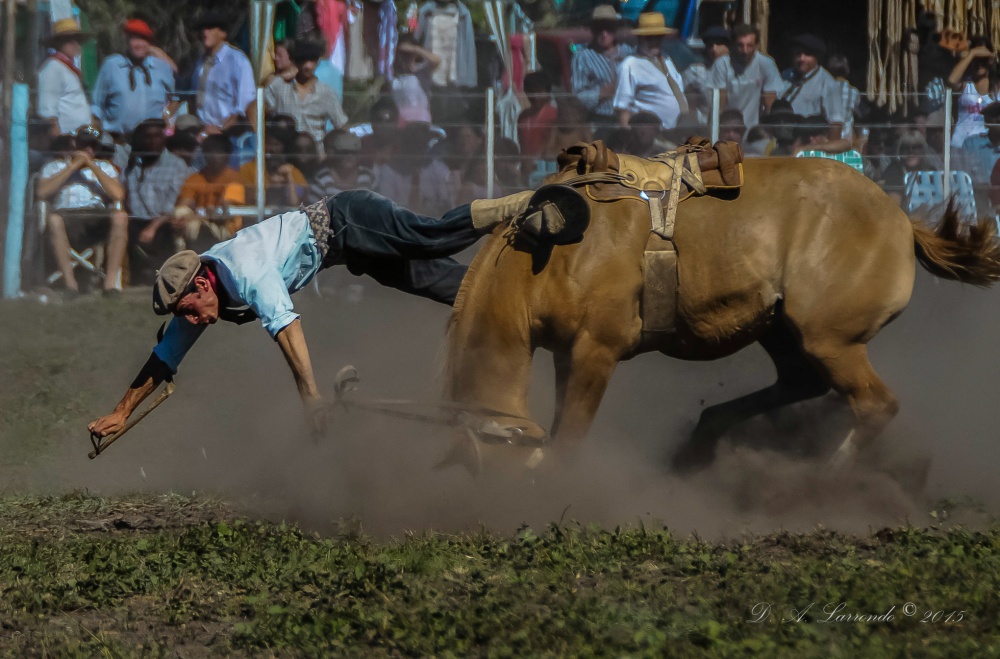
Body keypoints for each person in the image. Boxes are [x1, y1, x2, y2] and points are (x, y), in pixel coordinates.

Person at [86, 187, 579, 440]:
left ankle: (526, 204)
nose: (188, 321)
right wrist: (121, 412)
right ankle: (524, 304)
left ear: (198, 284)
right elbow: (163, 358)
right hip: (350, 250)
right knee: (451, 290)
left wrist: (312, 397)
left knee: (430, 236)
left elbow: (288, 326)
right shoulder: (200, 297)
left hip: (350, 219)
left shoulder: (244, 272)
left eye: (186, 309)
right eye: (182, 315)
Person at [36, 126, 127, 297]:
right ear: (75, 143)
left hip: (95, 215)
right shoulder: (55, 166)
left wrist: (91, 165)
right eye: (84, 144)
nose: (88, 149)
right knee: (54, 220)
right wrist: (72, 167)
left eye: (93, 146)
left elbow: (118, 194)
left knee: (121, 217)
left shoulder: (105, 167)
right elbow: (42, 192)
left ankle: (110, 285)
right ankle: (70, 285)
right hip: (66, 215)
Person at [143, 134, 245, 250]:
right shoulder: (195, 178)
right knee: (180, 213)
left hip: (226, 230)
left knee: (195, 224)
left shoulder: (235, 179)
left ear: (227, 155)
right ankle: (182, 260)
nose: (214, 157)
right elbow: (183, 205)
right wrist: (180, 220)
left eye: (218, 152)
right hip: (198, 224)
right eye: (210, 152)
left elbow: (222, 211)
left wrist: (195, 218)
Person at [91, 19, 177, 136]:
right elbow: (97, 104)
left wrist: (166, 114)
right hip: (117, 141)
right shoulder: (111, 65)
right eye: (135, 39)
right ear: (127, 40)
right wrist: (95, 132)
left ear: (149, 43)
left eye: (144, 39)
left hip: (151, 141)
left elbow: (175, 99)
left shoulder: (162, 67)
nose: (140, 44)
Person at [265, 39, 349, 149]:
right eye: (302, 60)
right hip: (286, 152)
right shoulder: (278, 86)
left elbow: (342, 125)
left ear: (317, 62)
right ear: (295, 61)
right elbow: (261, 111)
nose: (307, 65)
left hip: (315, 154)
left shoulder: (327, 93)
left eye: (312, 60)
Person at [127, 119, 195, 250]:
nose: (152, 141)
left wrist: (152, 227)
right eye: (148, 137)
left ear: (163, 138)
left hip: (166, 223)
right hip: (136, 222)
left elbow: (173, 203)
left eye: (157, 136)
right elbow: (130, 202)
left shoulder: (176, 165)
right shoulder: (133, 167)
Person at [613, 13, 687, 130]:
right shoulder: (630, 65)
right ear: (640, 38)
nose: (654, 41)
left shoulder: (667, 59)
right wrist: (629, 138)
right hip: (651, 137)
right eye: (649, 37)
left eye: (658, 36)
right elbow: (623, 108)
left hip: (677, 131)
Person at [190, 11, 256, 134]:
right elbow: (195, 97)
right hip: (204, 132)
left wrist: (221, 130)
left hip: (230, 133)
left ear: (222, 33)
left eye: (210, 29)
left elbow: (246, 102)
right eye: (202, 29)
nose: (205, 33)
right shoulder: (200, 64)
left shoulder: (237, 60)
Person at [709, 24, 784, 129]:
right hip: (728, 127)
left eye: (749, 45)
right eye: (740, 45)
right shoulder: (722, 64)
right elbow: (719, 104)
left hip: (754, 129)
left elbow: (770, 103)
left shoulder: (766, 63)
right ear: (733, 45)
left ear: (757, 46)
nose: (745, 50)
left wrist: (769, 132)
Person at [571, 5, 634, 124]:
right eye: (599, 28)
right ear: (593, 30)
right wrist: (605, 91)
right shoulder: (583, 57)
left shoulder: (629, 52)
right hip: (602, 120)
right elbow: (577, 97)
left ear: (616, 29)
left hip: (632, 120)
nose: (604, 34)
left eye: (609, 28)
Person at [779, 34, 845, 141]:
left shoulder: (827, 83)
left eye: (807, 54)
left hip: (810, 142)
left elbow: (836, 123)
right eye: (798, 54)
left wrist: (829, 153)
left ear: (817, 57)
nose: (801, 58)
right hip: (784, 139)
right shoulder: (786, 78)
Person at [37, 19, 95, 136]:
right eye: (69, 40)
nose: (75, 43)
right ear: (58, 42)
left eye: (77, 39)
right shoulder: (53, 68)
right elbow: (48, 113)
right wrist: (59, 144)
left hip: (83, 136)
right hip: (67, 138)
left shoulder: (69, 69)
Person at [239, 131, 307, 207]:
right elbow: (250, 201)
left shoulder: (291, 171)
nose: (272, 149)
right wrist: (270, 186)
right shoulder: (246, 169)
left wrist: (289, 178)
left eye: (276, 145)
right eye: (269, 144)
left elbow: (295, 204)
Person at [307, 131, 375, 202]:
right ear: (336, 154)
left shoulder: (368, 176)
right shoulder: (322, 179)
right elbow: (313, 209)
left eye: (353, 152)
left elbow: (378, 207)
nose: (349, 156)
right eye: (344, 152)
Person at [392, 36, 441, 125]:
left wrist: (414, 49)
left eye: (408, 54)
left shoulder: (422, 70)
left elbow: (436, 60)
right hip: (400, 121)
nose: (406, 56)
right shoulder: (394, 73)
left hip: (420, 120)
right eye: (403, 54)